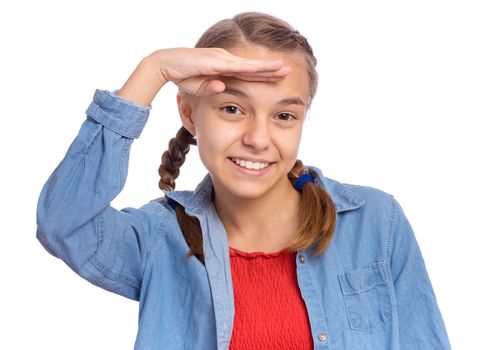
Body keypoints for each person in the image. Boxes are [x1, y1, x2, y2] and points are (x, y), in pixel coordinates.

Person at [36, 11, 451, 350]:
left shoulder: (377, 224)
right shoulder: (159, 239)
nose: (257, 139)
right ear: (189, 114)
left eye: (284, 116)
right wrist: (153, 70)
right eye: (233, 109)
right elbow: (63, 224)